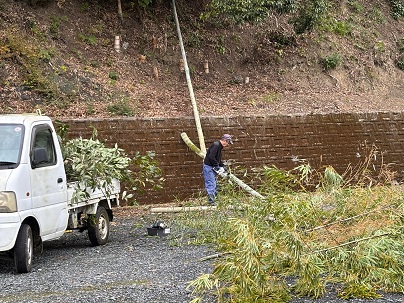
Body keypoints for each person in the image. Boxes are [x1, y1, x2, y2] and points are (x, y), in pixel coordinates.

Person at [203, 134, 233, 206]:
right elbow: (211, 157)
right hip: (209, 167)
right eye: (228, 142)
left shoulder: (219, 146)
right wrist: (217, 166)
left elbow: (217, 158)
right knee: (211, 184)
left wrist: (222, 166)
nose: (228, 144)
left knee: (215, 184)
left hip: (212, 166)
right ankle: (211, 201)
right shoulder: (216, 145)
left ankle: (215, 199)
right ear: (225, 141)